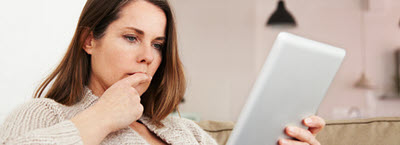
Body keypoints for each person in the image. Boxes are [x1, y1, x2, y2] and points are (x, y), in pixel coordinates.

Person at [0, 0, 325, 144]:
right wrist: (101, 117)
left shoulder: (186, 133)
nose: (147, 57)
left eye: (157, 44)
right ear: (89, 40)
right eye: (131, 38)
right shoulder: (44, 115)